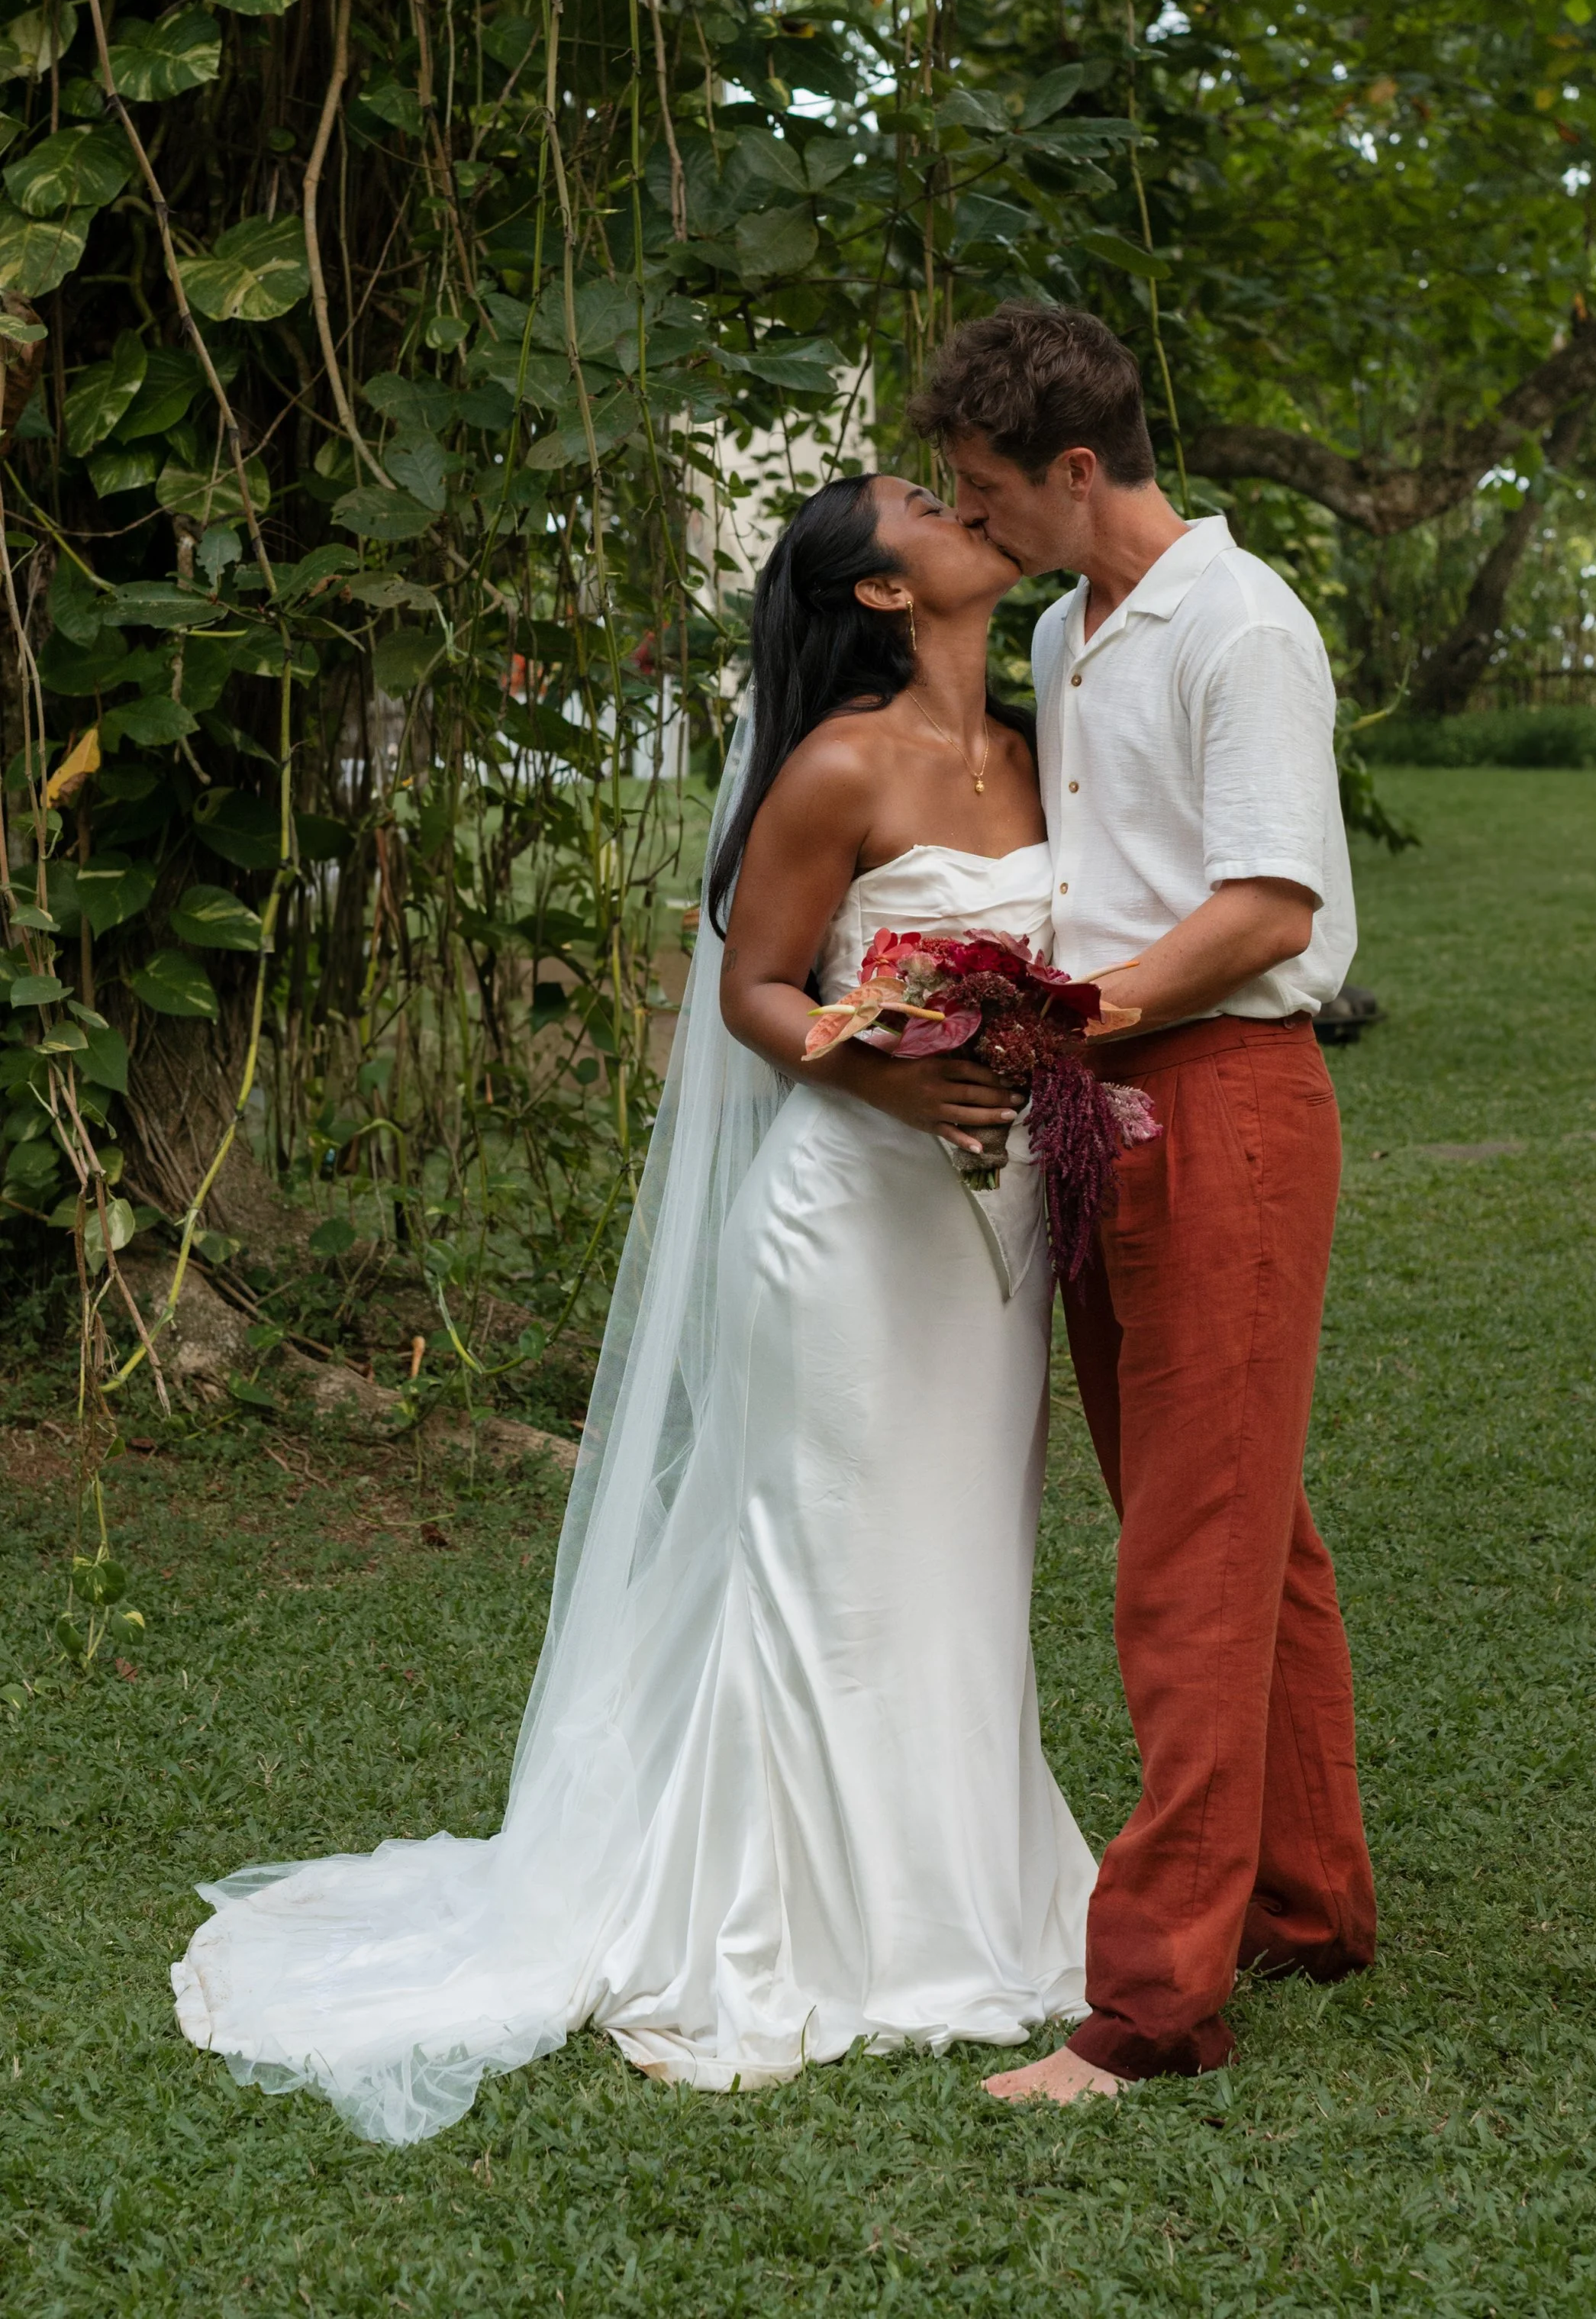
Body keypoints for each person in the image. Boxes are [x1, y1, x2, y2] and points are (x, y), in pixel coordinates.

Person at [170, 472, 1093, 2141]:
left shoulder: (1039, 747)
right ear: (880, 594)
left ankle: (971, 1893)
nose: (965, 506)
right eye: (921, 505)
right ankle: (790, 1932)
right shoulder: (836, 767)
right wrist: (887, 1078)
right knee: (826, 1566)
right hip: (848, 1224)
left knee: (965, 1552)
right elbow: (749, 985)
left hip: (998, 1234)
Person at [911, 302, 1378, 2101]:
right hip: (1103, 1101)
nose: (968, 523)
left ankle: (1153, 2007)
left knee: (1186, 1553)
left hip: (1227, 1102)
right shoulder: (1060, 624)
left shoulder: (1238, 628)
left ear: (1079, 470)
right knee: (1242, 1524)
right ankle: (1306, 1899)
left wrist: (1064, 1016)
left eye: (984, 491)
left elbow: (1265, 913)